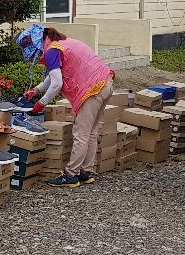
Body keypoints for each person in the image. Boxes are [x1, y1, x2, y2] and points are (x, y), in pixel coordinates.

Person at [16, 24, 114, 187]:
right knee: (90, 133)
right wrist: (37, 90)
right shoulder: (60, 43)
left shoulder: (53, 50)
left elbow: (56, 83)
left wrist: (40, 105)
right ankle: (86, 172)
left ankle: (71, 175)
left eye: (35, 53)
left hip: (92, 90)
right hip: (105, 82)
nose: (37, 57)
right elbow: (55, 74)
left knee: (81, 133)